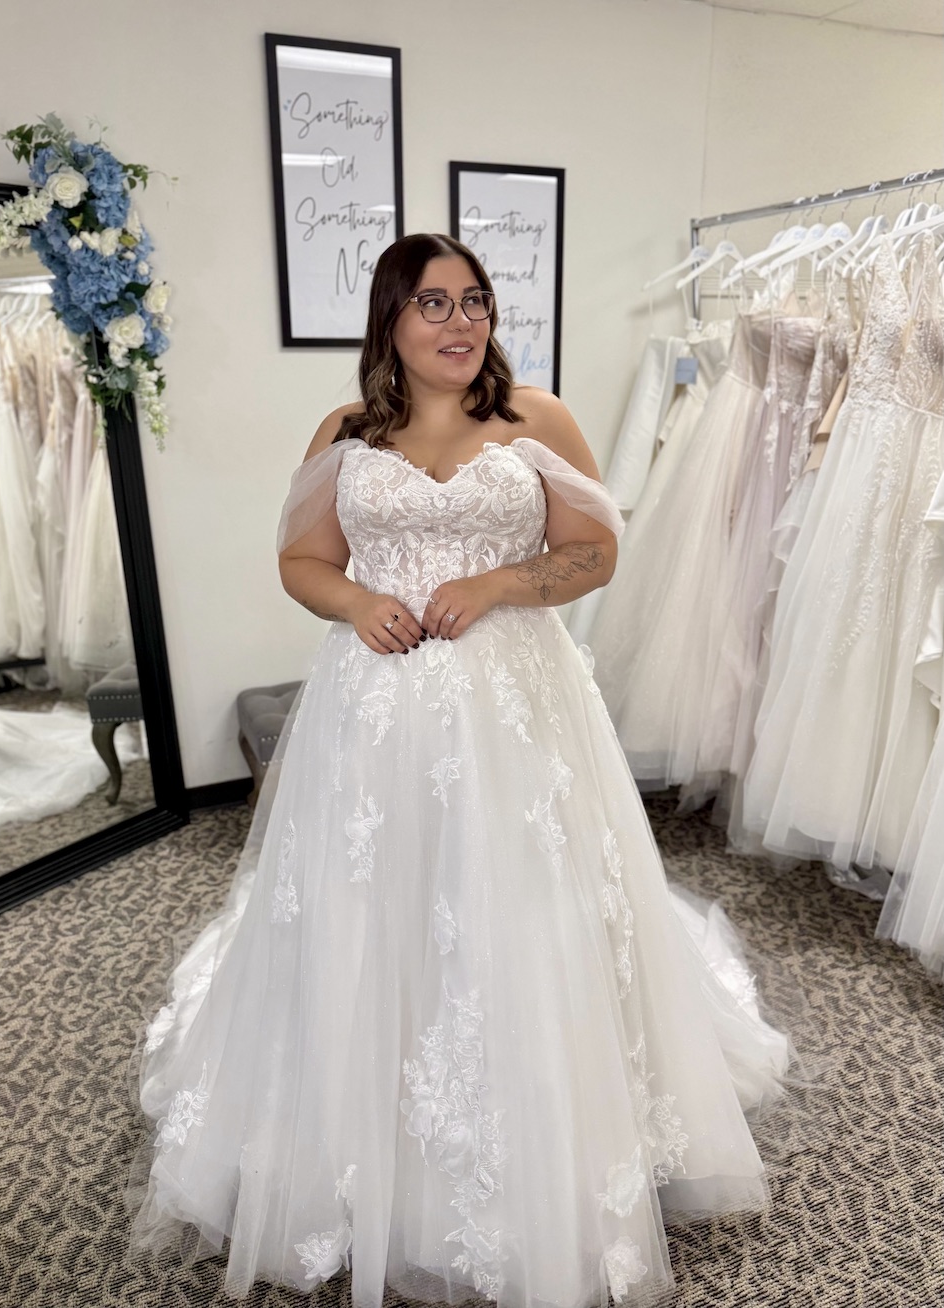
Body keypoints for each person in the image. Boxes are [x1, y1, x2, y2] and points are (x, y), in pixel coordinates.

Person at [132, 233, 790, 1307]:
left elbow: (596, 551)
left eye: (474, 300)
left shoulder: (535, 417)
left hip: (516, 704)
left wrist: (496, 584)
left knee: (522, 905)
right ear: (389, 319)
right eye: (432, 303)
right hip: (373, 709)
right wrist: (356, 601)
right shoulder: (346, 434)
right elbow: (302, 559)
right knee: (371, 902)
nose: (460, 321)